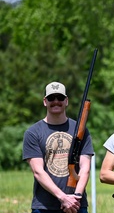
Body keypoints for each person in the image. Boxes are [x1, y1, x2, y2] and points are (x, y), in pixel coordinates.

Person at [22, 81, 94, 213]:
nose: (56, 101)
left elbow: (85, 168)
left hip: (76, 205)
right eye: (51, 98)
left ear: (66, 101)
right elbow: (38, 171)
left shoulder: (81, 130)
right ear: (45, 101)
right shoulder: (33, 133)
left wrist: (76, 197)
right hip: (44, 206)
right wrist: (63, 198)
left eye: (60, 98)